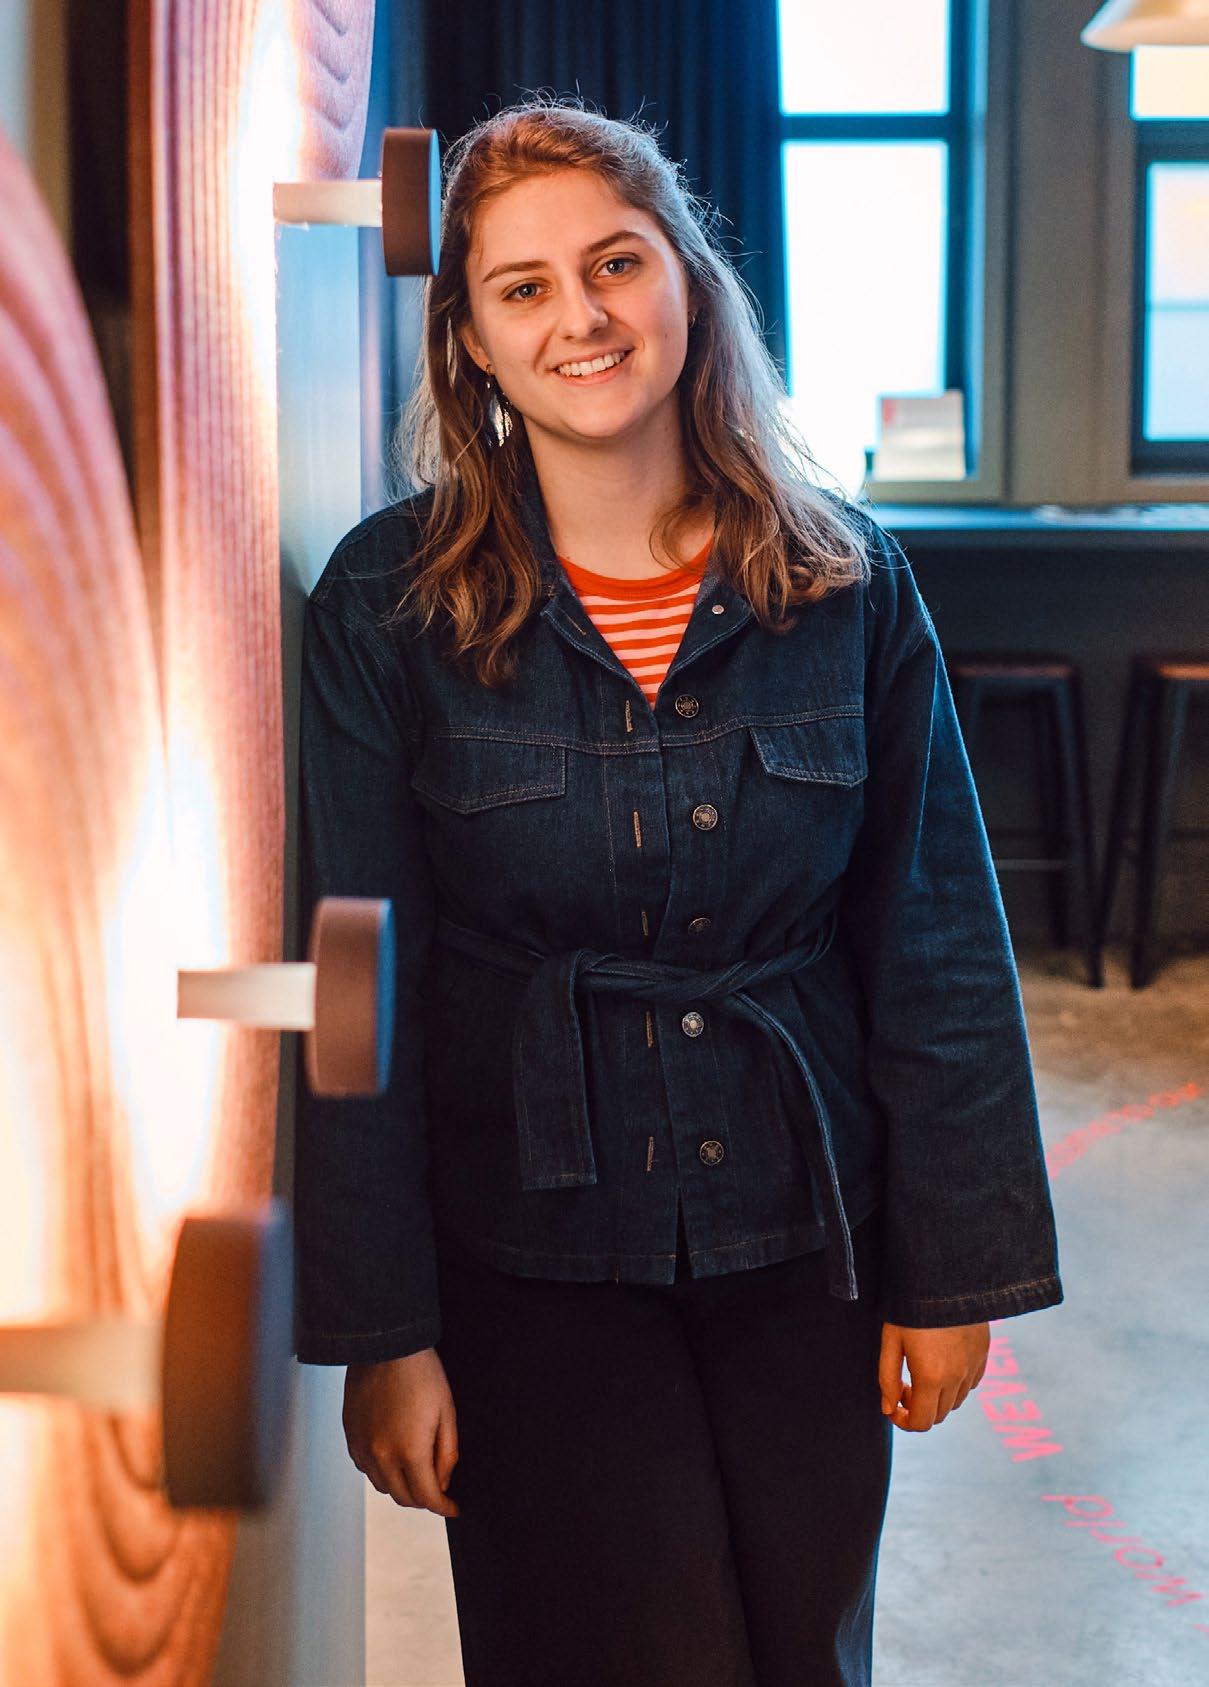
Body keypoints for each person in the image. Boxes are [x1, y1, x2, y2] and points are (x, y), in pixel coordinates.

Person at [293, 95, 1063, 1687]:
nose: (580, 317)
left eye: (615, 263)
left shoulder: (846, 580)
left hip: (806, 1235)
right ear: (472, 344)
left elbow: (932, 944)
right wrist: (383, 1330)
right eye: (522, 288)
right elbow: (357, 988)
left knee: (800, 1655)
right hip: (525, 1250)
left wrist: (952, 1273)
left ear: (686, 287)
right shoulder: (385, 602)